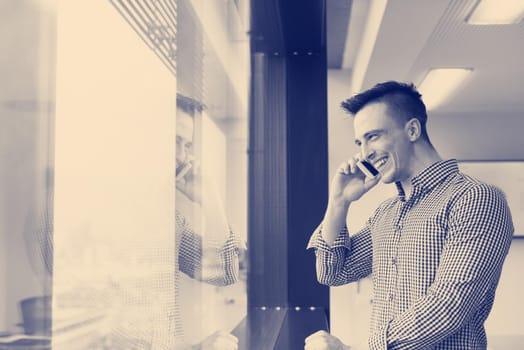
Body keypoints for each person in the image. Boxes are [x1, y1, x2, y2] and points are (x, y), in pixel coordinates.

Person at [305, 81, 514, 349]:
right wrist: (338, 202)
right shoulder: (386, 214)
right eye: (360, 142)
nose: (364, 153)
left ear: (412, 130)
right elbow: (333, 272)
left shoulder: (475, 199)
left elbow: (448, 306)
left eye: (374, 136)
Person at [175, 94, 243, 350]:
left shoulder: (171, 221)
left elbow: (224, 273)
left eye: (187, 146)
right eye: (175, 142)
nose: (183, 157)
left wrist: (211, 203)